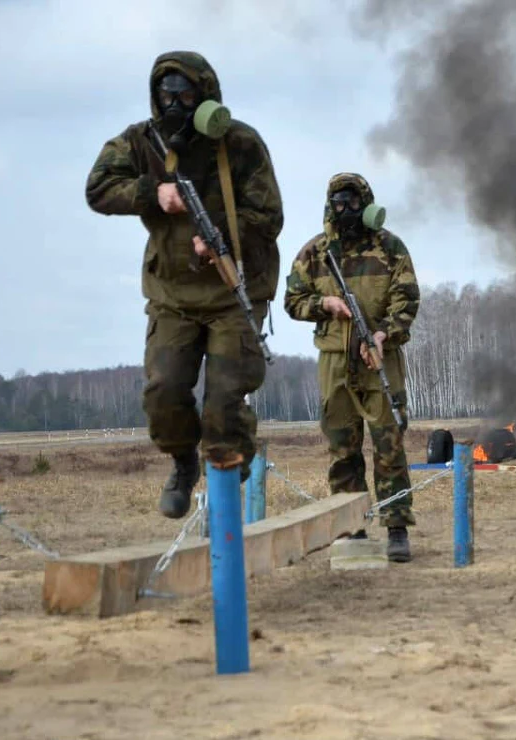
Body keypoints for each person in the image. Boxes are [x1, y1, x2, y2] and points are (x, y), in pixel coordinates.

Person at [85, 51, 283, 519]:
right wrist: (151, 193)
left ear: (205, 96)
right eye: (166, 94)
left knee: (224, 403)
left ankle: (228, 471)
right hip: (172, 294)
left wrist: (222, 237)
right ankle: (182, 462)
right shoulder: (141, 142)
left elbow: (269, 215)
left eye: (186, 95)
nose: (175, 104)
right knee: (164, 391)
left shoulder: (240, 143)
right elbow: (98, 188)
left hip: (233, 291)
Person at [283, 173, 420, 562]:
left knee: (389, 442)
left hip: (379, 355)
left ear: (366, 204)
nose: (345, 209)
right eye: (339, 202)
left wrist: (383, 334)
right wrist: (324, 305)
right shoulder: (315, 252)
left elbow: (407, 299)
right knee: (342, 446)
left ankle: (396, 526)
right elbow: (292, 300)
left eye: (353, 202)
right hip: (335, 360)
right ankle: (350, 526)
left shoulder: (390, 247)